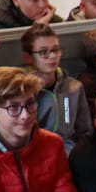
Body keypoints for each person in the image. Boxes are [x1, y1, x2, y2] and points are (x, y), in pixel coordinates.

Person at [19, 24, 91, 152]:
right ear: (28, 57)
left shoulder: (73, 87)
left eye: (56, 50)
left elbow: (84, 131)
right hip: (35, 153)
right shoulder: (21, 90)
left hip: (68, 152)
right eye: (43, 52)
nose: (52, 56)